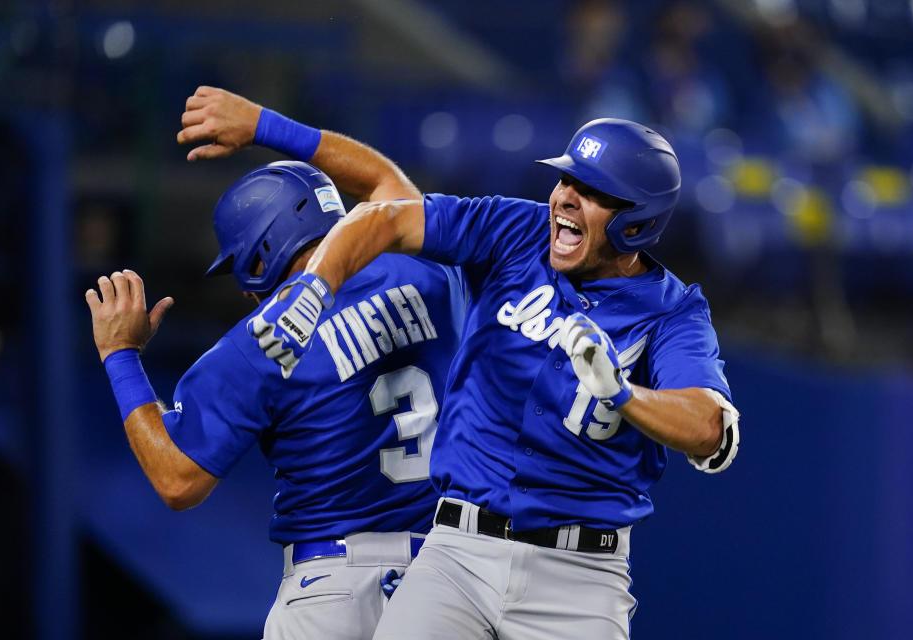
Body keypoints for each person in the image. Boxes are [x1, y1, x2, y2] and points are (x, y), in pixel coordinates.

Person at [189, 87, 742, 639]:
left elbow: (707, 427)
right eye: (566, 180)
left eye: (592, 192)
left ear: (637, 224)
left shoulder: (674, 313)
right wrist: (314, 287)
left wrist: (622, 392)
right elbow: (385, 216)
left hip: (581, 577)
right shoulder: (515, 231)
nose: (566, 198)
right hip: (457, 552)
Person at [85, 156, 466, 639]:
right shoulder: (431, 272)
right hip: (446, 583)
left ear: (264, 250)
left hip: (332, 593)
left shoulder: (261, 342)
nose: (245, 287)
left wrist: (120, 355)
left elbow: (177, 479)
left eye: (242, 262)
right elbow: (396, 192)